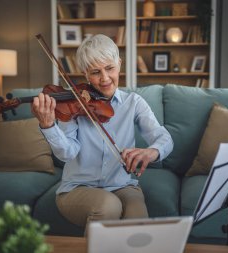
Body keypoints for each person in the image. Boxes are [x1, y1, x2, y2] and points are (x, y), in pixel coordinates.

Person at [32, 34, 173, 232]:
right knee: (109, 206)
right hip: (78, 188)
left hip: (123, 185)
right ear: (85, 74)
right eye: (96, 72)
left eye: (109, 68)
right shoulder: (74, 104)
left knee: (138, 219)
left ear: (119, 64)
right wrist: (48, 126)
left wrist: (152, 152)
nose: (105, 78)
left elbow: (163, 137)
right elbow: (68, 153)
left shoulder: (133, 103)